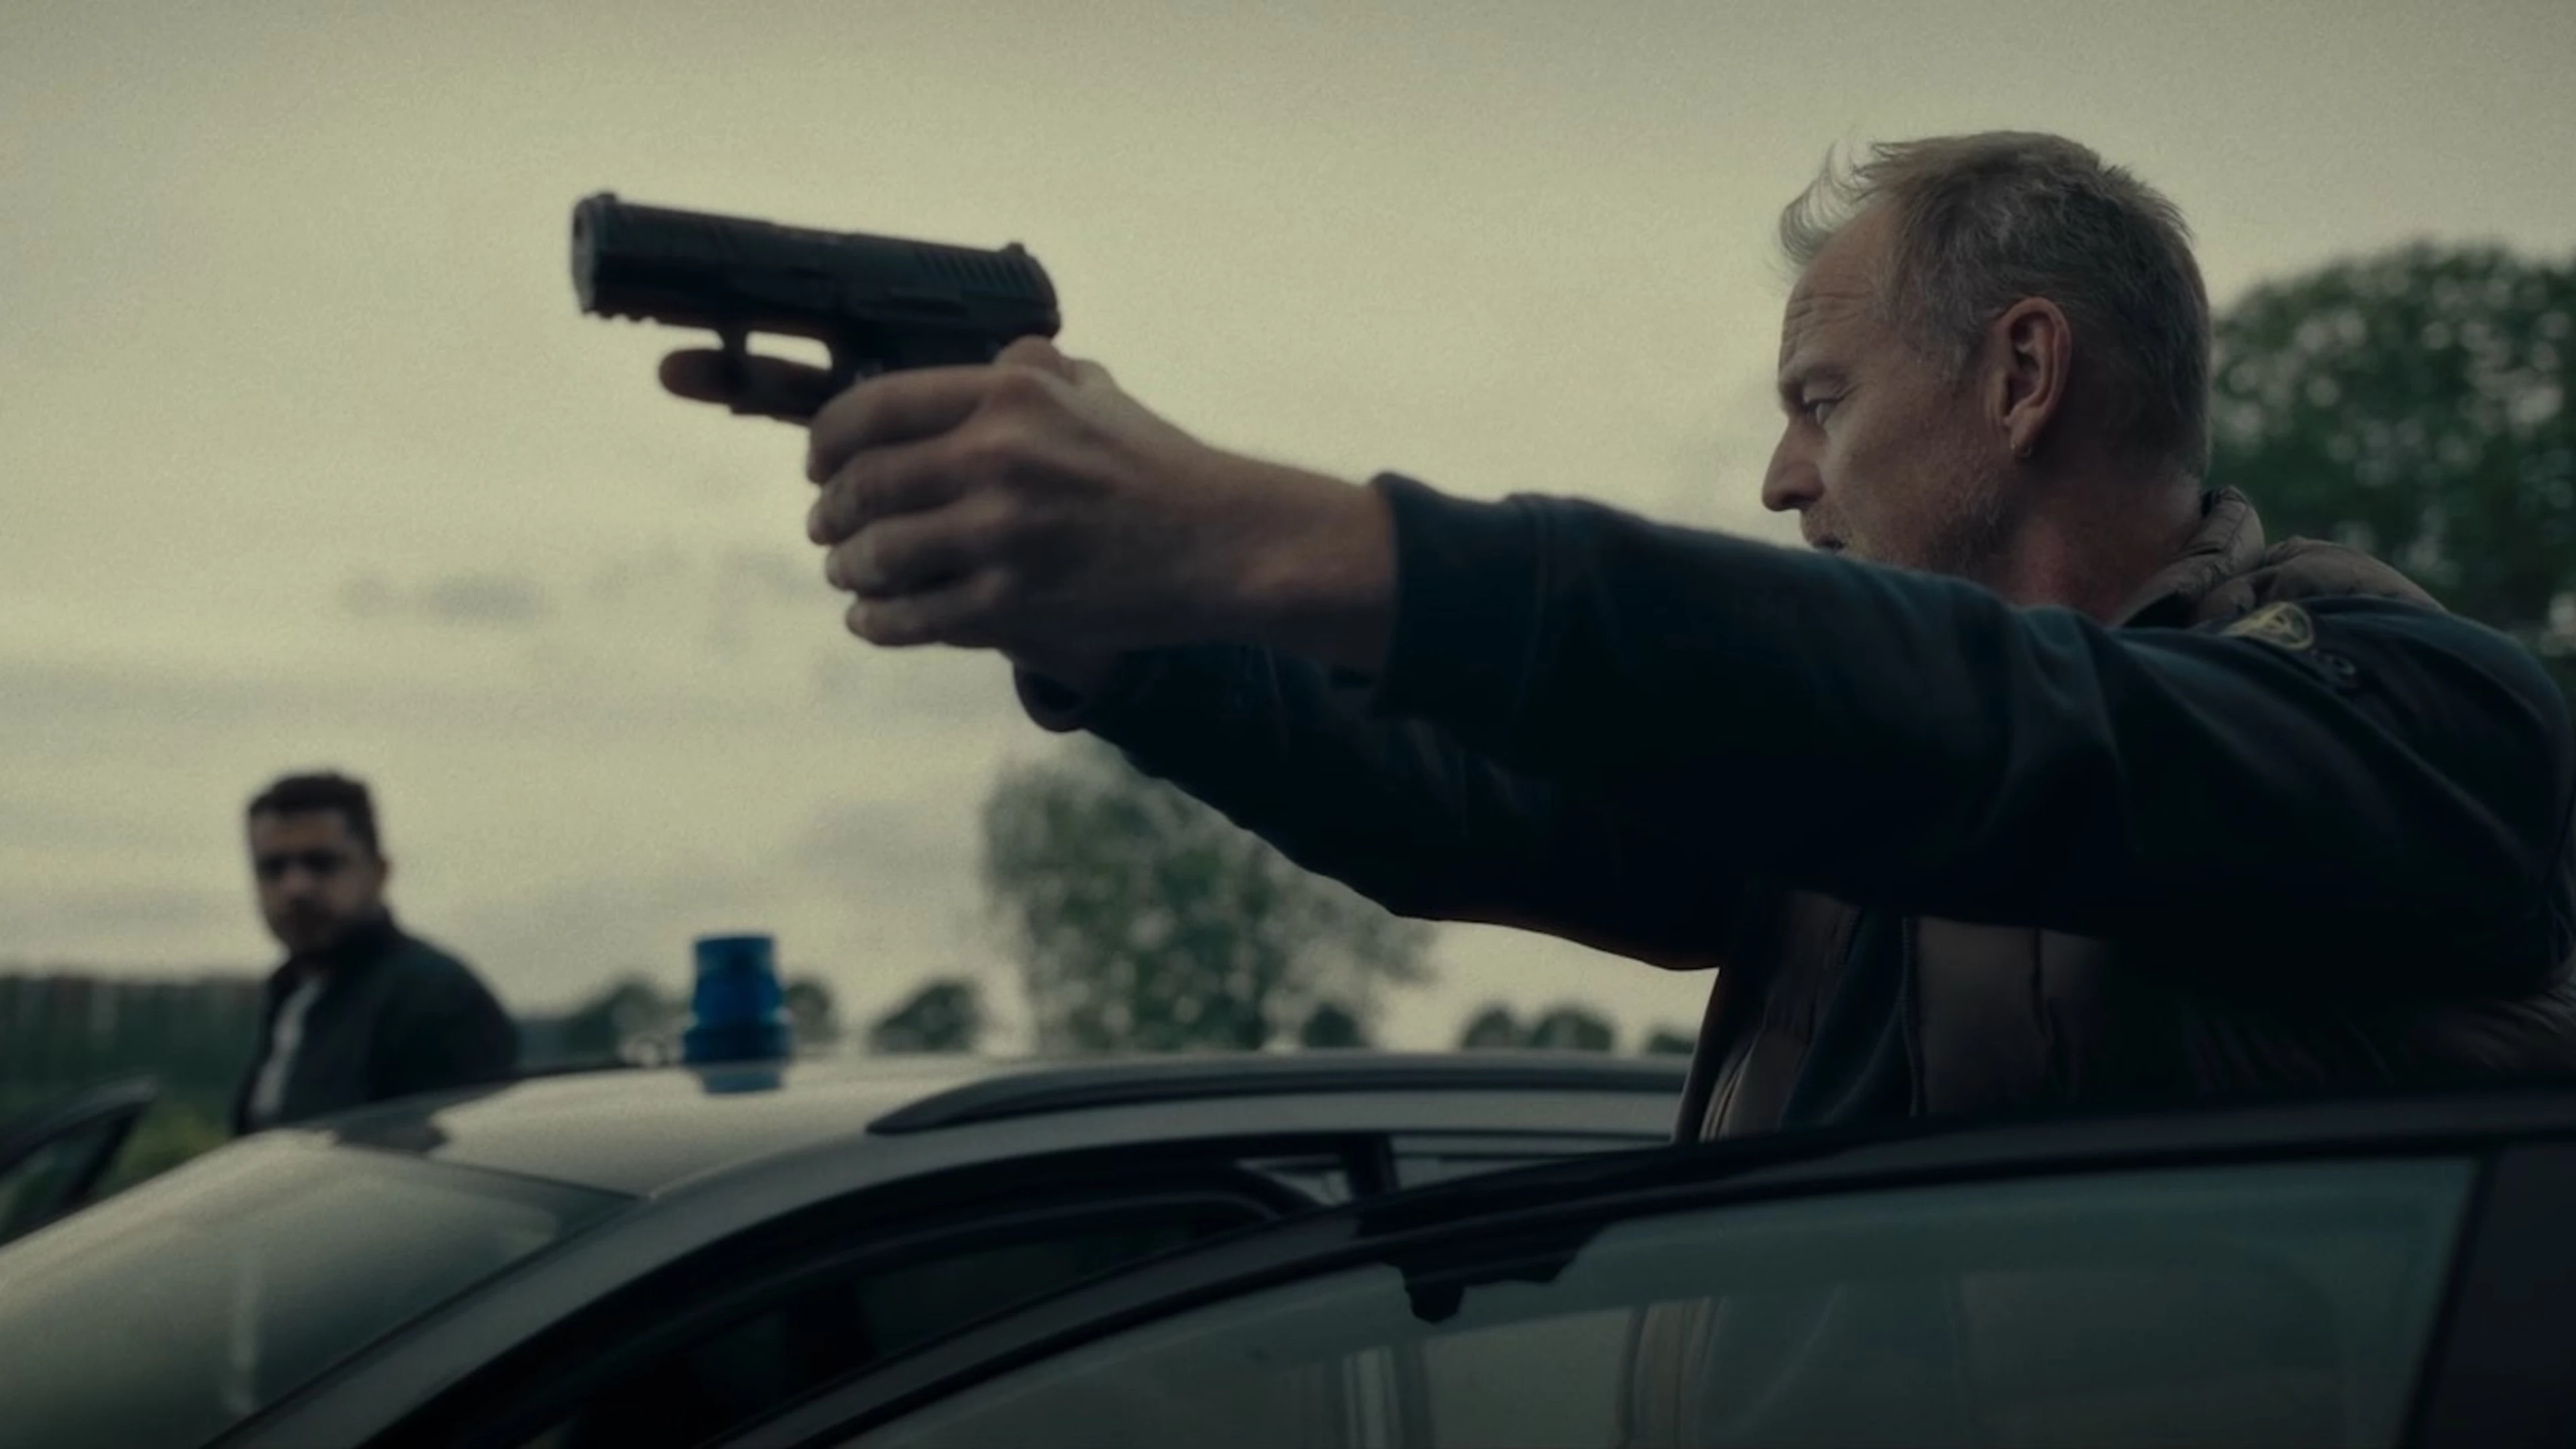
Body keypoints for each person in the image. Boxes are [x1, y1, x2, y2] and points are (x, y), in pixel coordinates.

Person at [663, 129, 2576, 1122]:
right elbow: (1464, 799)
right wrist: (1120, 623)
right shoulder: (1835, 794)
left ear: (2019, 374)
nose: (1780, 476)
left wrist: (1264, 527)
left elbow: (2025, 739)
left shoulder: (2415, 724)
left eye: (1819, 400)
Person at [231, 771, 516, 1134]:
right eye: (273, 869)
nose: (296, 888)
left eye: (321, 863)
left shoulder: (436, 998)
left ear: (378, 872)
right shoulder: (290, 992)